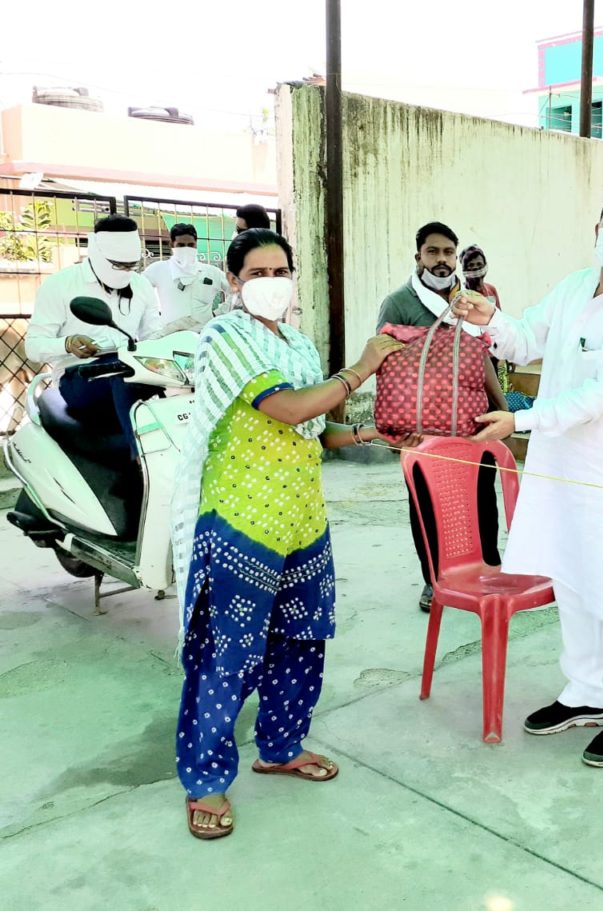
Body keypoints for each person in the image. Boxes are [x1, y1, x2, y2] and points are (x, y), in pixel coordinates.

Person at [170, 228, 406, 839]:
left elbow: (314, 431)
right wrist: (362, 367)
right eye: (257, 273)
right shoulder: (223, 337)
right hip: (242, 522)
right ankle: (206, 781)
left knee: (303, 640)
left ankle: (280, 747)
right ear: (233, 281)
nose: (271, 283)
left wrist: (367, 434)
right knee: (227, 654)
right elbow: (288, 408)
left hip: (302, 522)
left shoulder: (297, 344)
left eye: (281, 272)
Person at [452, 187, 603, 767]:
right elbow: (527, 339)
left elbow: (602, 395)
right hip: (565, 470)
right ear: (596, 228)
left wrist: (521, 419)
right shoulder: (573, 288)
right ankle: (585, 691)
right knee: (576, 577)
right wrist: (491, 321)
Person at [376, 222, 507, 613]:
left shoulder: (470, 302)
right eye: (432, 251)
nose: (441, 260)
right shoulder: (399, 304)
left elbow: (482, 359)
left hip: (471, 422)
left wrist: (502, 409)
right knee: (427, 505)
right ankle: (434, 580)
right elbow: (383, 362)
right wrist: (393, 426)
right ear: (418, 256)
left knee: (482, 501)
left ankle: (486, 572)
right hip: (424, 428)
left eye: (448, 252)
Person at [24, 214, 161, 456]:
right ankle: (141, 462)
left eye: (131, 265)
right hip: (78, 377)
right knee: (122, 374)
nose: (126, 272)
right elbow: (33, 347)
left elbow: (153, 336)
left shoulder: (141, 286)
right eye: (119, 265)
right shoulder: (60, 285)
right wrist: (67, 344)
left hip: (131, 367)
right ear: (97, 252)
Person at [143, 223, 231, 332]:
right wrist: (151, 321)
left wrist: (218, 314)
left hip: (203, 335)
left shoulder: (211, 272)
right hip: (169, 335)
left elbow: (237, 292)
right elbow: (138, 292)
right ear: (172, 244)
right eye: (181, 245)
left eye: (190, 245)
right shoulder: (158, 269)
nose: (186, 249)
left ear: (196, 244)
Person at [460, 245, 501, 310]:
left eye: (479, 264)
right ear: (464, 270)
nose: (476, 267)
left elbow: (499, 315)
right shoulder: (460, 293)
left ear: (485, 266)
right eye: (471, 265)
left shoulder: (491, 289)